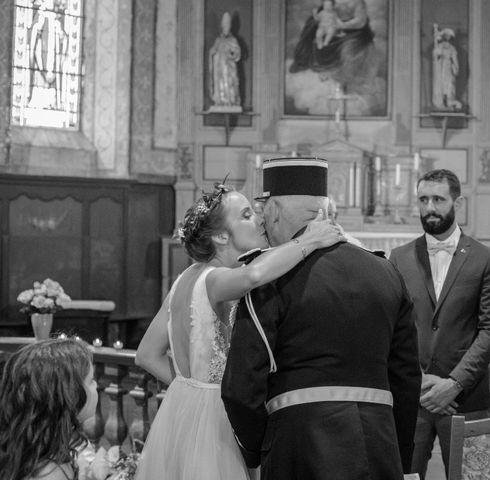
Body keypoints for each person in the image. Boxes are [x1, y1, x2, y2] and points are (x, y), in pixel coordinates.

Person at [222, 156, 421, 480]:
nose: (263, 224)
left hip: (298, 447)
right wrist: (399, 455)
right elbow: (407, 377)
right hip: (378, 446)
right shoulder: (386, 271)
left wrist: (258, 449)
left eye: (263, 212)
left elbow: (242, 385)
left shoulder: (269, 278)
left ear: (272, 210)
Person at [134, 184, 345, 480]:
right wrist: (308, 241)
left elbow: (145, 355)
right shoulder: (215, 278)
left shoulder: (186, 277)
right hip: (219, 422)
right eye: (246, 215)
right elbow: (253, 275)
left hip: (183, 413)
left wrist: (194, 390)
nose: (259, 220)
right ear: (221, 236)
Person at [389, 169, 490, 479]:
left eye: (438, 199)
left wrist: (452, 385)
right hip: (413, 397)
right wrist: (419, 380)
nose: (429, 208)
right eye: (423, 199)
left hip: (466, 399)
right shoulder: (399, 258)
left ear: (458, 203)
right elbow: (392, 328)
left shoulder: (485, 259)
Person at [0, 338, 98, 480]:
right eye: (91, 380)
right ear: (68, 396)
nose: (96, 385)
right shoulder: (48, 473)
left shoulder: (45, 450)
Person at [208, 12, 241, 108]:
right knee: (220, 85)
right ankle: (220, 100)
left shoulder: (233, 40)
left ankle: (231, 101)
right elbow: (213, 51)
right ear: (222, 26)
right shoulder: (218, 40)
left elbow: (237, 54)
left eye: (228, 25)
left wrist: (230, 54)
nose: (226, 27)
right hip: (219, 71)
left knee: (230, 83)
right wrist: (213, 53)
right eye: (224, 25)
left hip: (229, 69)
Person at [431, 25, 462, 111]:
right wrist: (437, 53)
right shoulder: (439, 46)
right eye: (446, 35)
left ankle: (449, 101)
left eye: (449, 36)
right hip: (440, 69)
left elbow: (455, 61)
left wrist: (455, 68)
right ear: (444, 36)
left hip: (448, 69)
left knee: (449, 86)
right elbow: (435, 57)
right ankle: (440, 102)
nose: (447, 38)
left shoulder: (452, 48)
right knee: (440, 85)